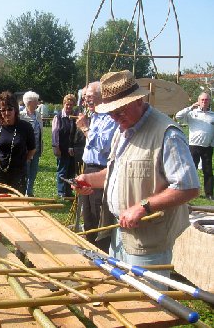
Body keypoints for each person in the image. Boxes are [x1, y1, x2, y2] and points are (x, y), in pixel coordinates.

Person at [74, 70, 199, 285]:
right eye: (111, 112)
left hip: (148, 243)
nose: (115, 117)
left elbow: (188, 187)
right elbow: (117, 173)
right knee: (124, 297)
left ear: (140, 100)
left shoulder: (166, 134)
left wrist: (143, 207)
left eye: (120, 111)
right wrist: (89, 179)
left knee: (147, 308)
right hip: (119, 235)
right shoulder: (122, 129)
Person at [76, 82, 117, 252]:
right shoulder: (96, 116)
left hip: (101, 171)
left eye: (90, 98)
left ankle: (101, 252)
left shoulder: (109, 118)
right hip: (88, 168)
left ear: (103, 97)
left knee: (99, 214)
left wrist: (85, 129)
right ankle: (90, 248)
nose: (86, 102)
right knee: (88, 214)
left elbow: (104, 146)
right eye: (85, 99)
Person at [0, 91, 35, 194]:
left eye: (10, 109)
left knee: (16, 206)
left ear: (15, 110)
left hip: (18, 174)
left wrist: (21, 160)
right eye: (3, 110)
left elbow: (32, 149)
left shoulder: (25, 127)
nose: (6, 113)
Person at [175, 92, 214, 200]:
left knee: (208, 171)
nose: (204, 102)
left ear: (209, 101)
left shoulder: (212, 115)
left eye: (206, 100)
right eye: (202, 100)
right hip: (194, 146)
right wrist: (191, 107)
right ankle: (190, 193)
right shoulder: (192, 114)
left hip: (207, 147)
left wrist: (212, 144)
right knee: (192, 170)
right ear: (198, 101)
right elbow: (178, 116)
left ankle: (209, 194)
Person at [52, 94, 76, 197]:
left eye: (71, 105)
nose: (69, 107)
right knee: (62, 170)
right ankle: (61, 192)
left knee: (71, 171)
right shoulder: (58, 117)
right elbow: (55, 133)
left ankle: (68, 191)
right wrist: (56, 147)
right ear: (64, 104)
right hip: (61, 148)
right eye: (67, 104)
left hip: (72, 149)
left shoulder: (75, 117)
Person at [20, 91, 43, 196]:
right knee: (25, 171)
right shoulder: (21, 115)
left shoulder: (38, 115)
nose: (37, 103)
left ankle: (29, 191)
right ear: (29, 102)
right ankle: (23, 191)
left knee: (33, 172)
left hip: (37, 148)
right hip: (26, 149)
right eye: (35, 101)